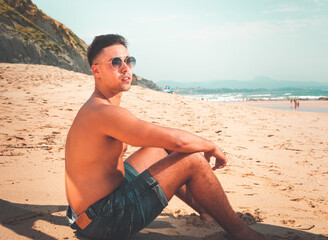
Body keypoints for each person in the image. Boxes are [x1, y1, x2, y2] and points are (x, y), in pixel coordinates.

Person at [65, 34, 265, 240]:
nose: (125, 68)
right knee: (192, 159)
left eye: (128, 60)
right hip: (102, 220)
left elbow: (167, 142)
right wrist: (210, 146)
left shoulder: (99, 107)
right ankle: (243, 233)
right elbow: (176, 140)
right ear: (96, 70)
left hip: (90, 211)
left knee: (161, 149)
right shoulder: (103, 112)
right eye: (115, 62)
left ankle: (206, 212)